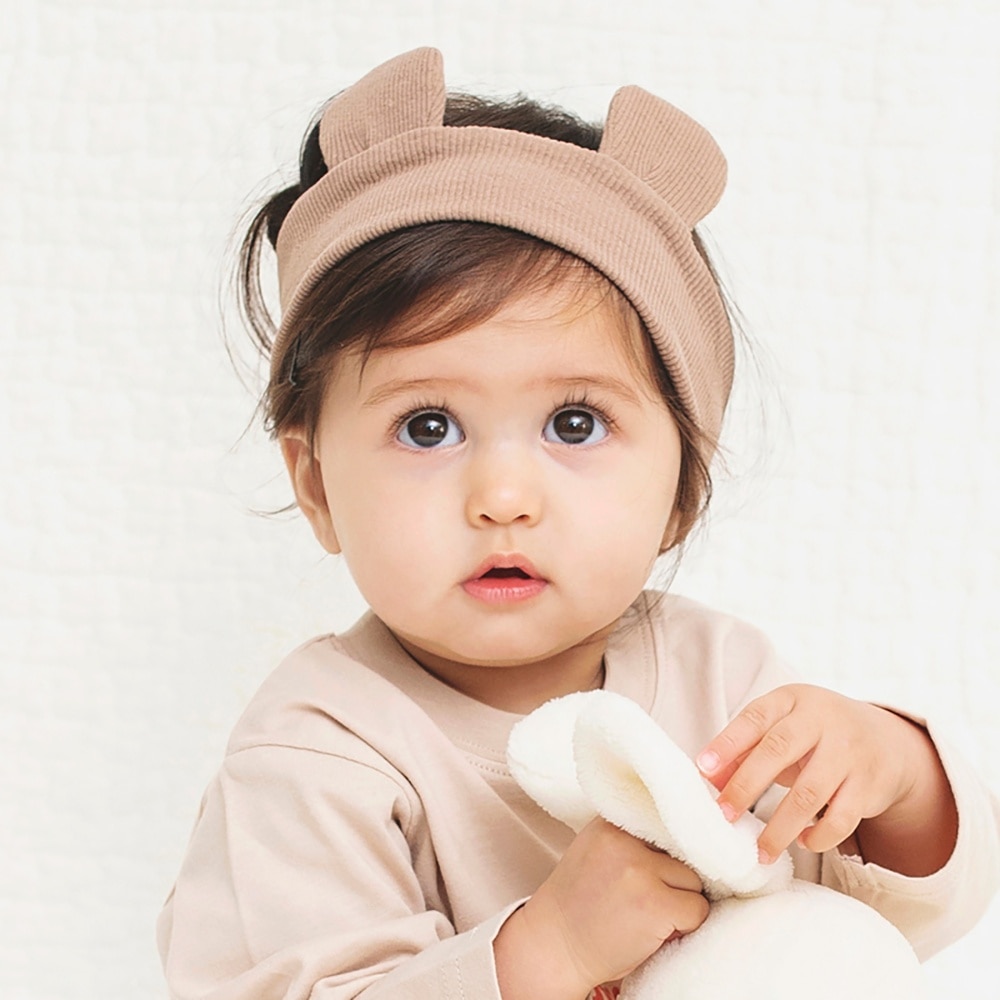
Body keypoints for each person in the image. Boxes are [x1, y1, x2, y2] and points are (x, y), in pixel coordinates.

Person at [157, 48, 1000, 1000]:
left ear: (683, 488)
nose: (503, 496)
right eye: (427, 427)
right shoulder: (317, 754)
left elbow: (868, 933)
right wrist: (546, 952)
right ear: (316, 486)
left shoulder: (722, 678)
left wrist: (895, 776)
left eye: (574, 424)